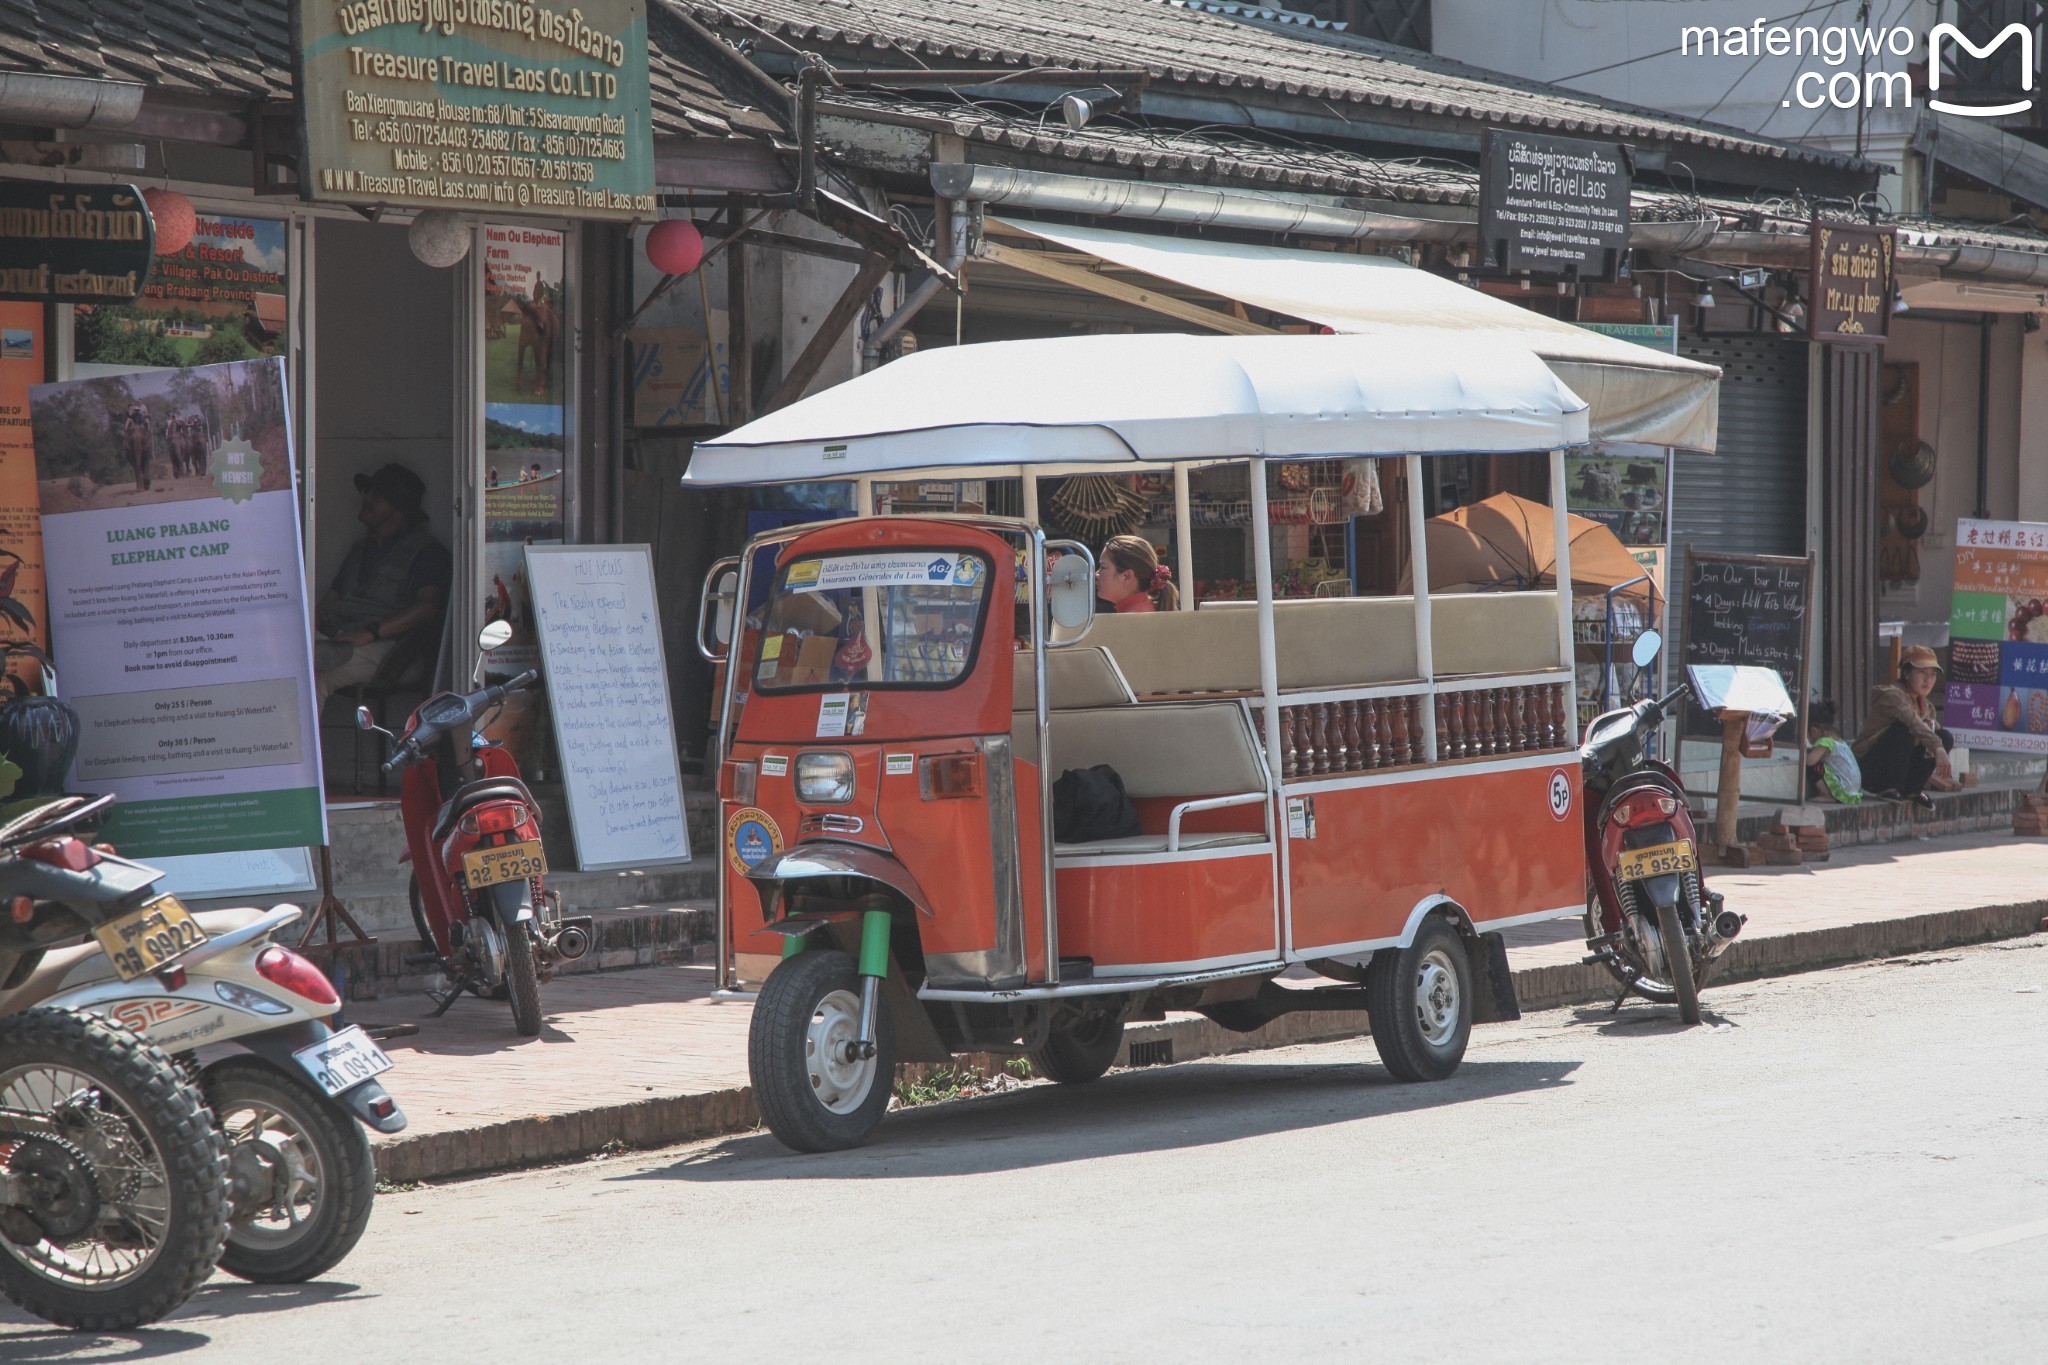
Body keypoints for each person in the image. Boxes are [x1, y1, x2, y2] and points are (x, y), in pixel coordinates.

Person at [314, 463, 451, 711]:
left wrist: (371, 633)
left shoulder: (427, 552)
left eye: (377, 495)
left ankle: (298, 750)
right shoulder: (359, 549)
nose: (367, 499)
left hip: (391, 651)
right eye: (368, 492)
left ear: (398, 510)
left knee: (314, 676)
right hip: (339, 639)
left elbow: (427, 608)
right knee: (288, 658)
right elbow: (328, 602)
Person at [1852, 645, 1957, 808]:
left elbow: (1928, 735)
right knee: (1906, 729)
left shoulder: (1927, 706)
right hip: (1869, 769)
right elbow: (1912, 721)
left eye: (1932, 675)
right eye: (1922, 673)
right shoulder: (1892, 695)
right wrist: (1938, 747)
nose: (1928, 680)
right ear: (1907, 673)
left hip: (1901, 768)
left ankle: (1912, 790)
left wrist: (1936, 739)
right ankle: (1890, 787)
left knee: (1944, 736)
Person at [1095, 534, 1179, 613]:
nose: (1096, 574)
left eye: (1103, 567)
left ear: (1127, 576)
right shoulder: (1143, 610)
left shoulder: (1132, 619)